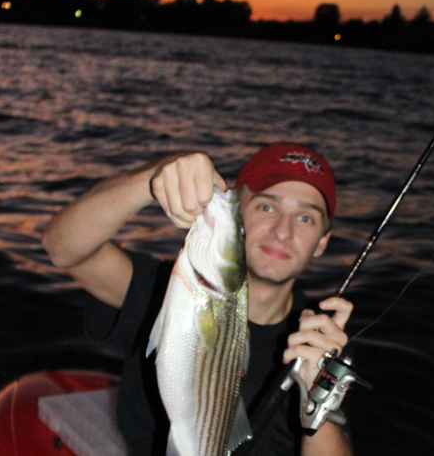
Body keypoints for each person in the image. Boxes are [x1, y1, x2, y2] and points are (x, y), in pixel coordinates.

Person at [42, 142, 354, 456]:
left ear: (322, 242)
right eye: (267, 207)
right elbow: (62, 248)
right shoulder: (160, 289)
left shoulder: (321, 339)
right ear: (241, 211)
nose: (282, 231)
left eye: (305, 218)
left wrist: (323, 396)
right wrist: (154, 177)